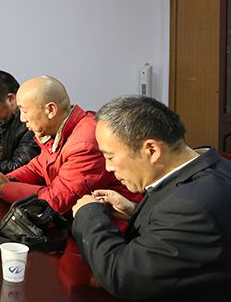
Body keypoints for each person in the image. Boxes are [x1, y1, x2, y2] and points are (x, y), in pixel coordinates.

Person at [71, 95, 231, 300]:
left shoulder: (191, 207)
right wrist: (133, 211)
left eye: (110, 157)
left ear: (152, 150)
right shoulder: (211, 167)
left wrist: (88, 213)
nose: (108, 167)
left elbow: (123, 276)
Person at [0, 76, 137, 214]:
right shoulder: (60, 129)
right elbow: (36, 167)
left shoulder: (85, 143)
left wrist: (5, 189)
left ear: (51, 110)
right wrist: (6, 180)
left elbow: (57, 200)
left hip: (111, 223)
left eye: (25, 111)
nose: (22, 119)